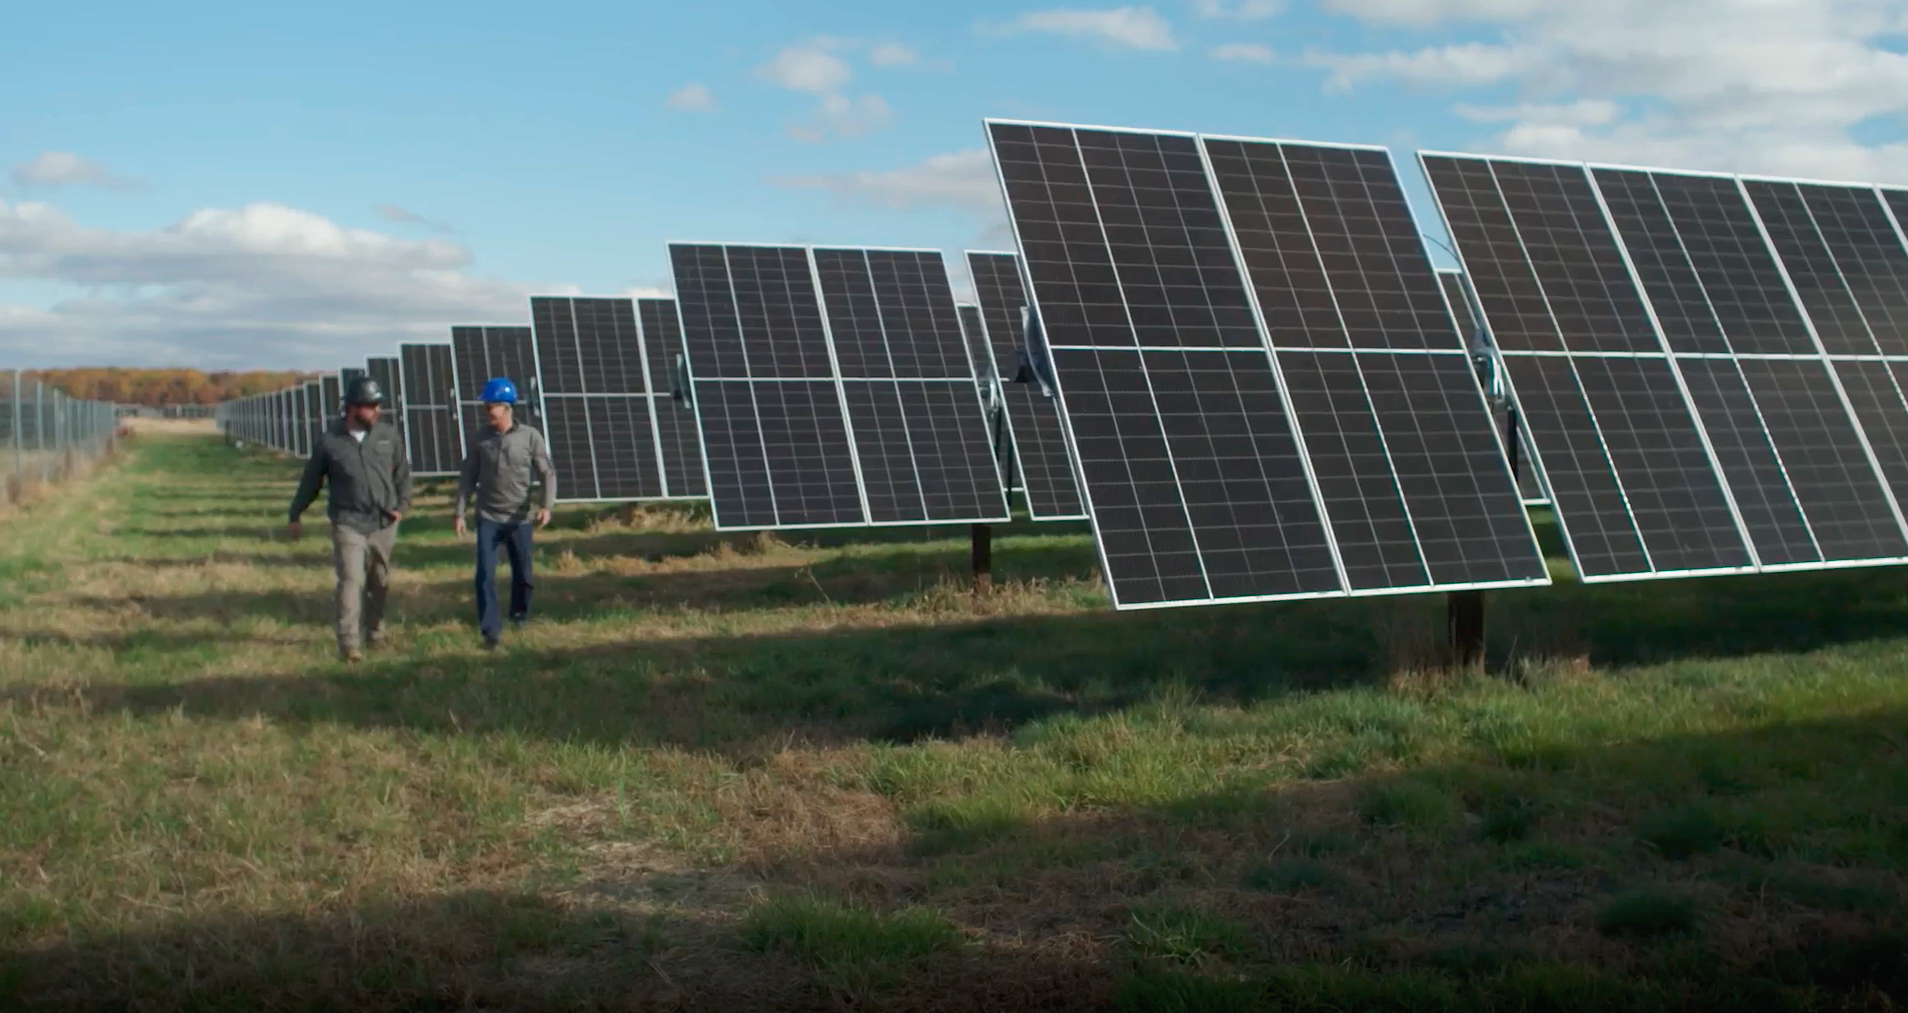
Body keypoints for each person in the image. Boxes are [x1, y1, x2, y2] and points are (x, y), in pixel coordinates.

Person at [287, 376, 411, 662]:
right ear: (353, 408)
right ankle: (349, 643)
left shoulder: (387, 436)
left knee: (379, 580)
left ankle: (376, 632)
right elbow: (311, 482)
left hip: (383, 522)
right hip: (348, 521)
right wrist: (296, 513)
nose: (377, 411)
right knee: (351, 580)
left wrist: (401, 506)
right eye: (371, 406)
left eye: (378, 405)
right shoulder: (330, 442)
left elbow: (403, 476)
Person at [454, 377, 555, 650]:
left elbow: (546, 473)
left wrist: (546, 506)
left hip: (519, 518)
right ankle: (490, 630)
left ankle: (519, 615)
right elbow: (468, 476)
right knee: (485, 574)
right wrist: (460, 512)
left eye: (491, 406)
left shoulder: (530, 437)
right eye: (486, 406)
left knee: (523, 574)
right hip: (488, 516)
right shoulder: (479, 439)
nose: (486, 411)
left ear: (507, 407)